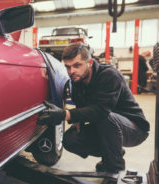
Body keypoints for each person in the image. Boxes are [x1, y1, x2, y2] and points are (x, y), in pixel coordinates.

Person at [38, 42, 150, 173]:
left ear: (89, 62)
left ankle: (115, 169)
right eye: (68, 67)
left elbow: (100, 110)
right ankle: (112, 154)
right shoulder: (76, 81)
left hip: (134, 128)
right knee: (70, 139)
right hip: (107, 127)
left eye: (77, 65)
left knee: (106, 118)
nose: (71, 71)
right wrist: (77, 122)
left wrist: (65, 114)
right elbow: (81, 111)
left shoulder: (109, 75)